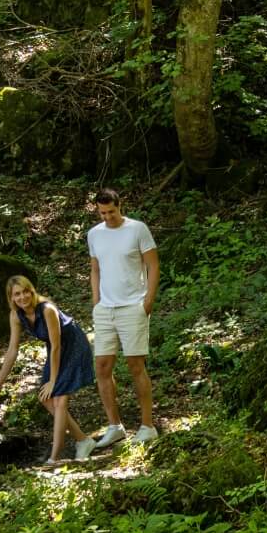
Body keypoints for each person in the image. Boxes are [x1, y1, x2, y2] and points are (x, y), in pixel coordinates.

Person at [0, 274, 96, 465]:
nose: (22, 297)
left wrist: (53, 381)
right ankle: (83, 440)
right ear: (11, 297)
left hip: (73, 345)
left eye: (25, 292)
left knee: (59, 399)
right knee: (46, 399)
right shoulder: (16, 315)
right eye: (17, 294)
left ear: (32, 291)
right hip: (56, 349)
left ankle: (54, 457)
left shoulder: (47, 309)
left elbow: (57, 346)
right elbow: (12, 350)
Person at [85, 187, 159, 449]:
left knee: (135, 365)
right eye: (102, 213)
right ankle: (115, 426)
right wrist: (96, 302)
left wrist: (148, 301)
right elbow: (95, 269)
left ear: (119, 206)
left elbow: (153, 265)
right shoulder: (94, 234)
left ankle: (147, 426)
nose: (107, 217)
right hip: (105, 309)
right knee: (102, 367)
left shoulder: (137, 229)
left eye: (111, 212)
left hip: (132, 306)